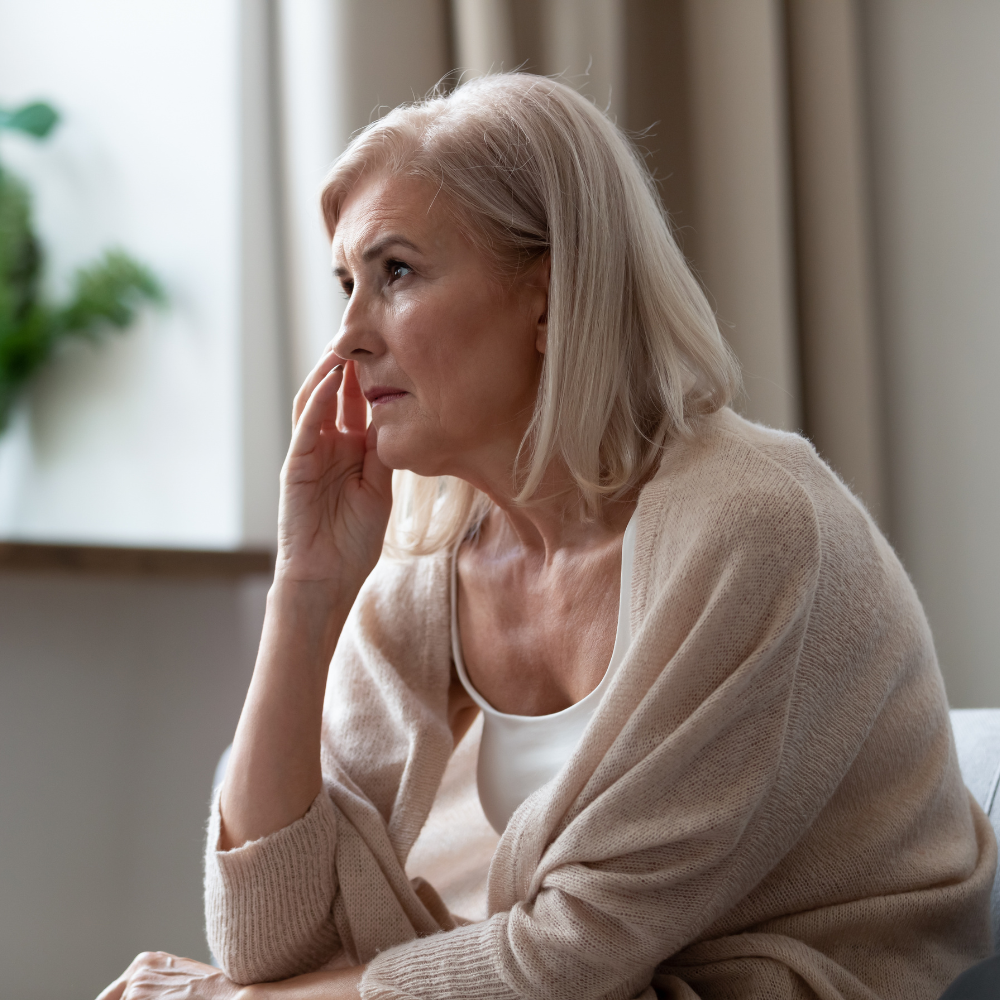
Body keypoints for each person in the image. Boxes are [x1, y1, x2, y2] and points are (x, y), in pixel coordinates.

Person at [97, 73, 995, 1000]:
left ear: (548, 297)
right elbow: (268, 941)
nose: (347, 338)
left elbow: (568, 957)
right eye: (346, 284)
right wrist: (307, 587)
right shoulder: (425, 561)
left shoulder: (755, 526)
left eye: (395, 272)